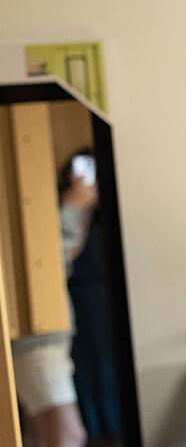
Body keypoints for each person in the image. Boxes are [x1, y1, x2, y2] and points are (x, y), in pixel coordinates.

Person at [11, 149, 98, 447]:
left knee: (37, 436)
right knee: (69, 436)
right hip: (37, 339)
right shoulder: (41, 211)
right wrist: (71, 207)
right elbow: (49, 262)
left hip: (45, 339)